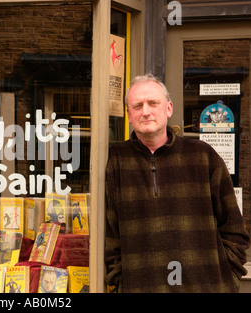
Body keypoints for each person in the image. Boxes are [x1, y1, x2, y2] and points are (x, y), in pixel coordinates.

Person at [105, 74, 250, 293]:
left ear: (169, 108)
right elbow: (110, 235)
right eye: (137, 106)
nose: (145, 111)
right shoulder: (115, 160)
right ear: (129, 115)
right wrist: (121, 282)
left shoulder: (202, 156)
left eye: (153, 103)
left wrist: (225, 278)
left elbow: (234, 229)